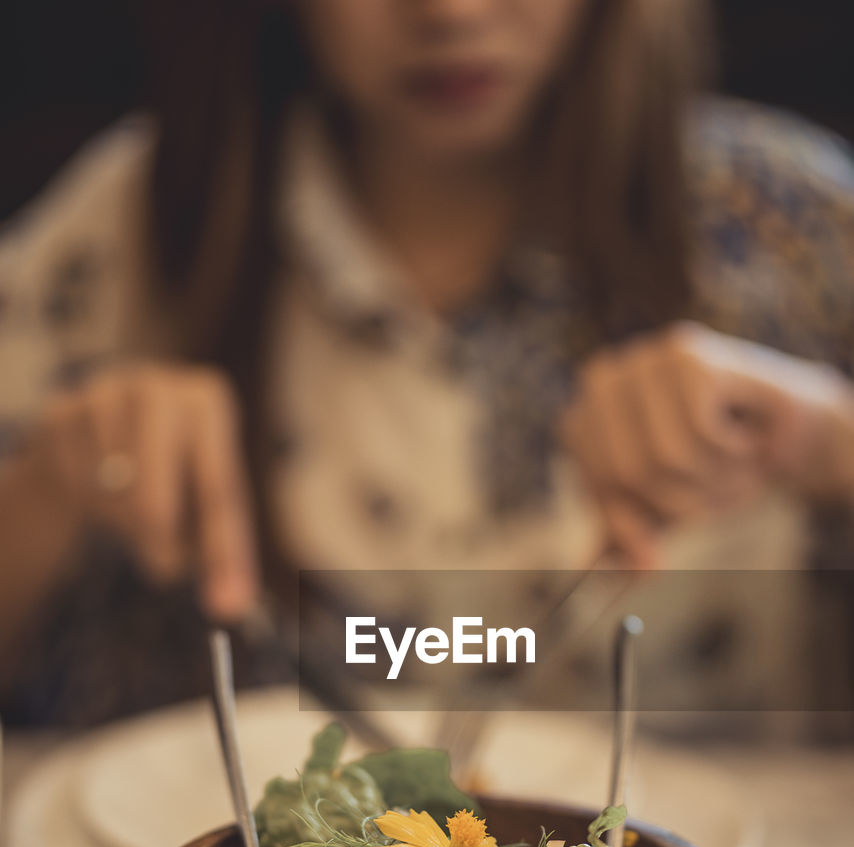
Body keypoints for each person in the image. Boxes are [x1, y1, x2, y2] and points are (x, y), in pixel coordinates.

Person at [0, 0, 853, 726]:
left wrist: (823, 438)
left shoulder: (789, 222)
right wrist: (49, 484)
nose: (450, 12)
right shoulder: (137, 220)